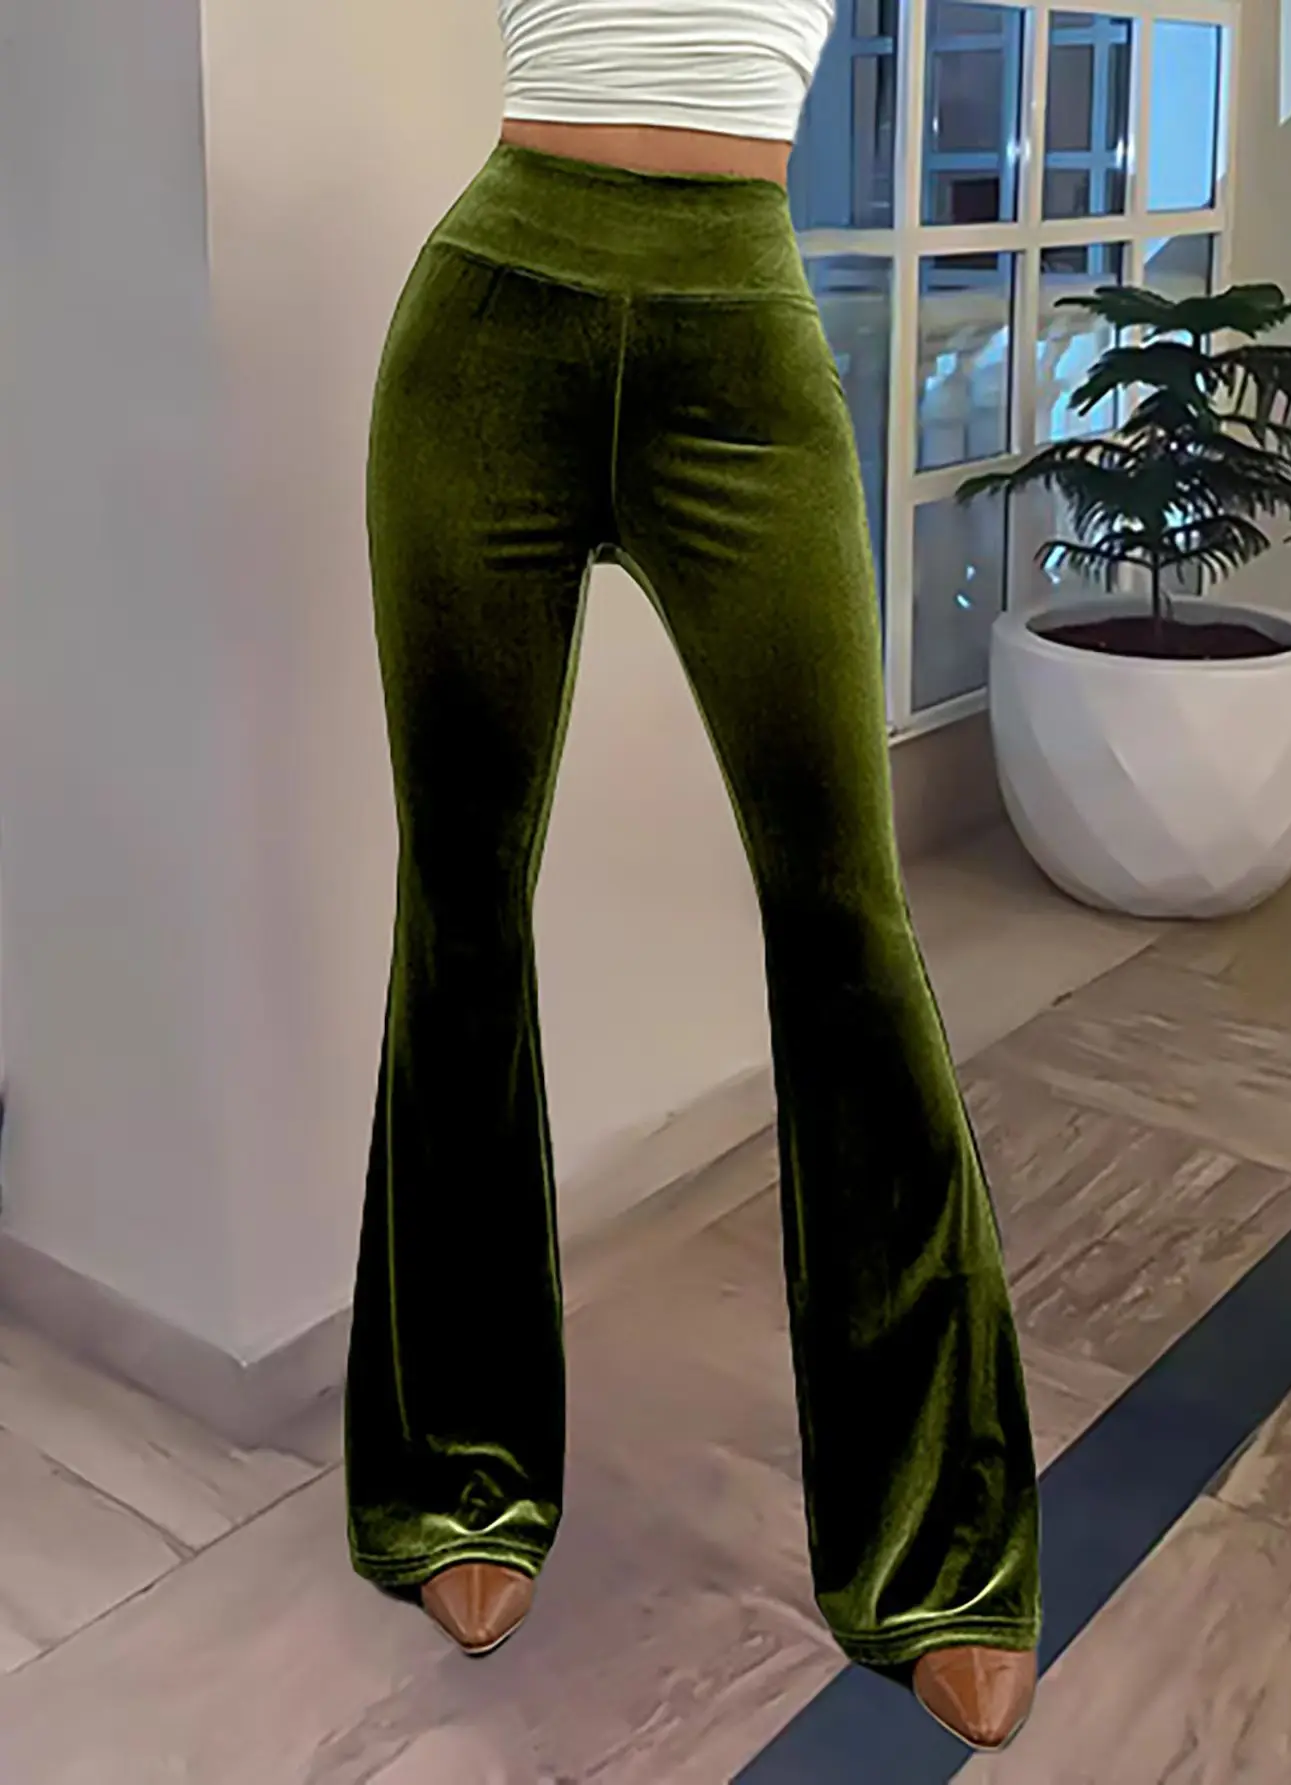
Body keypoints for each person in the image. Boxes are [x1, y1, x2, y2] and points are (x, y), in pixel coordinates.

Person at [343, 0, 1043, 1753]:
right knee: (461, 909)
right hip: (488, 320)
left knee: (846, 926)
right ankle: (460, 1468)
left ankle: (936, 1542)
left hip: (743, 332)